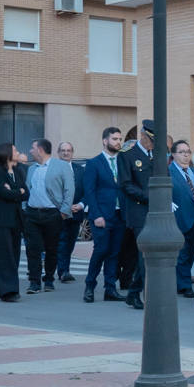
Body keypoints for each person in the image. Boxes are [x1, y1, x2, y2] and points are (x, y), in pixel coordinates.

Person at [23, 139, 74, 294]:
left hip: (52, 214)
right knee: (32, 249)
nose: (30, 151)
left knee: (52, 248)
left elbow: (69, 189)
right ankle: (34, 282)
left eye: (32, 148)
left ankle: (49, 279)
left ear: (40, 150)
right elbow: (27, 189)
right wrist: (25, 208)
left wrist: (64, 211)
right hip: (32, 213)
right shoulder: (32, 169)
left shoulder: (61, 166)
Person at [82, 126, 126, 303]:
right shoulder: (94, 163)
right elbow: (89, 191)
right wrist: (96, 215)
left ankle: (110, 289)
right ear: (105, 141)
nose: (118, 142)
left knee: (114, 253)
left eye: (120, 139)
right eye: (115, 139)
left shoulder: (123, 161)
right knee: (101, 250)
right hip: (102, 215)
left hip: (120, 214)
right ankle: (89, 286)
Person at [117, 120, 156, 310]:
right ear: (143, 135)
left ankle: (133, 292)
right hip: (138, 211)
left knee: (150, 254)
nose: (153, 144)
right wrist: (147, 197)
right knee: (144, 254)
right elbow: (125, 185)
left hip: (156, 211)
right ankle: (143, 294)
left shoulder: (156, 155)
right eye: (151, 140)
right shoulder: (127, 155)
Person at [0, 142, 28, 303]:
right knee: (4, 255)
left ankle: (0, 287)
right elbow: (4, 193)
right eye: (15, 150)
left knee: (14, 255)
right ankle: (9, 291)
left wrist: (14, 191)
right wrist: (17, 191)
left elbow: (26, 193)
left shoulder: (17, 171)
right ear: (7, 153)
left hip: (16, 220)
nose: (18, 152)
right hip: (0, 220)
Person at [170, 139, 194, 298]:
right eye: (182, 152)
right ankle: (185, 285)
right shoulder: (169, 172)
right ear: (173, 154)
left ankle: (180, 281)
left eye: (188, 152)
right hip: (180, 217)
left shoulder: (193, 171)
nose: (186, 155)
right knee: (182, 253)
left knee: (191, 252)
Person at [55, 142, 87, 283]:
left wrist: (80, 205)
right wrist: (63, 206)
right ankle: (63, 271)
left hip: (76, 212)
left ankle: (64, 269)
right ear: (58, 153)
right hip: (58, 213)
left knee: (70, 243)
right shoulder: (53, 169)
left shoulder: (80, 170)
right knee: (61, 242)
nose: (66, 153)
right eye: (63, 150)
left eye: (68, 150)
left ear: (72, 153)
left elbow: (87, 190)